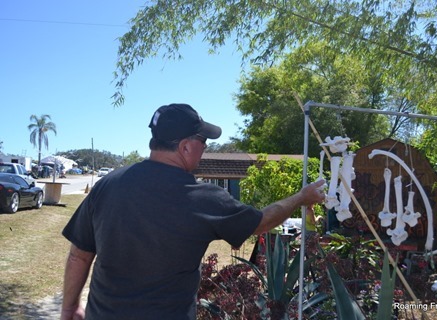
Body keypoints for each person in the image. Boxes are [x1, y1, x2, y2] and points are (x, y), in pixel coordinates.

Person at [60, 103, 326, 320]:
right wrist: (301, 197)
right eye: (203, 140)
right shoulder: (203, 198)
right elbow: (262, 222)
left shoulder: (108, 185)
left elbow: (78, 257)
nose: (206, 147)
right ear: (185, 146)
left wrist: (69, 308)